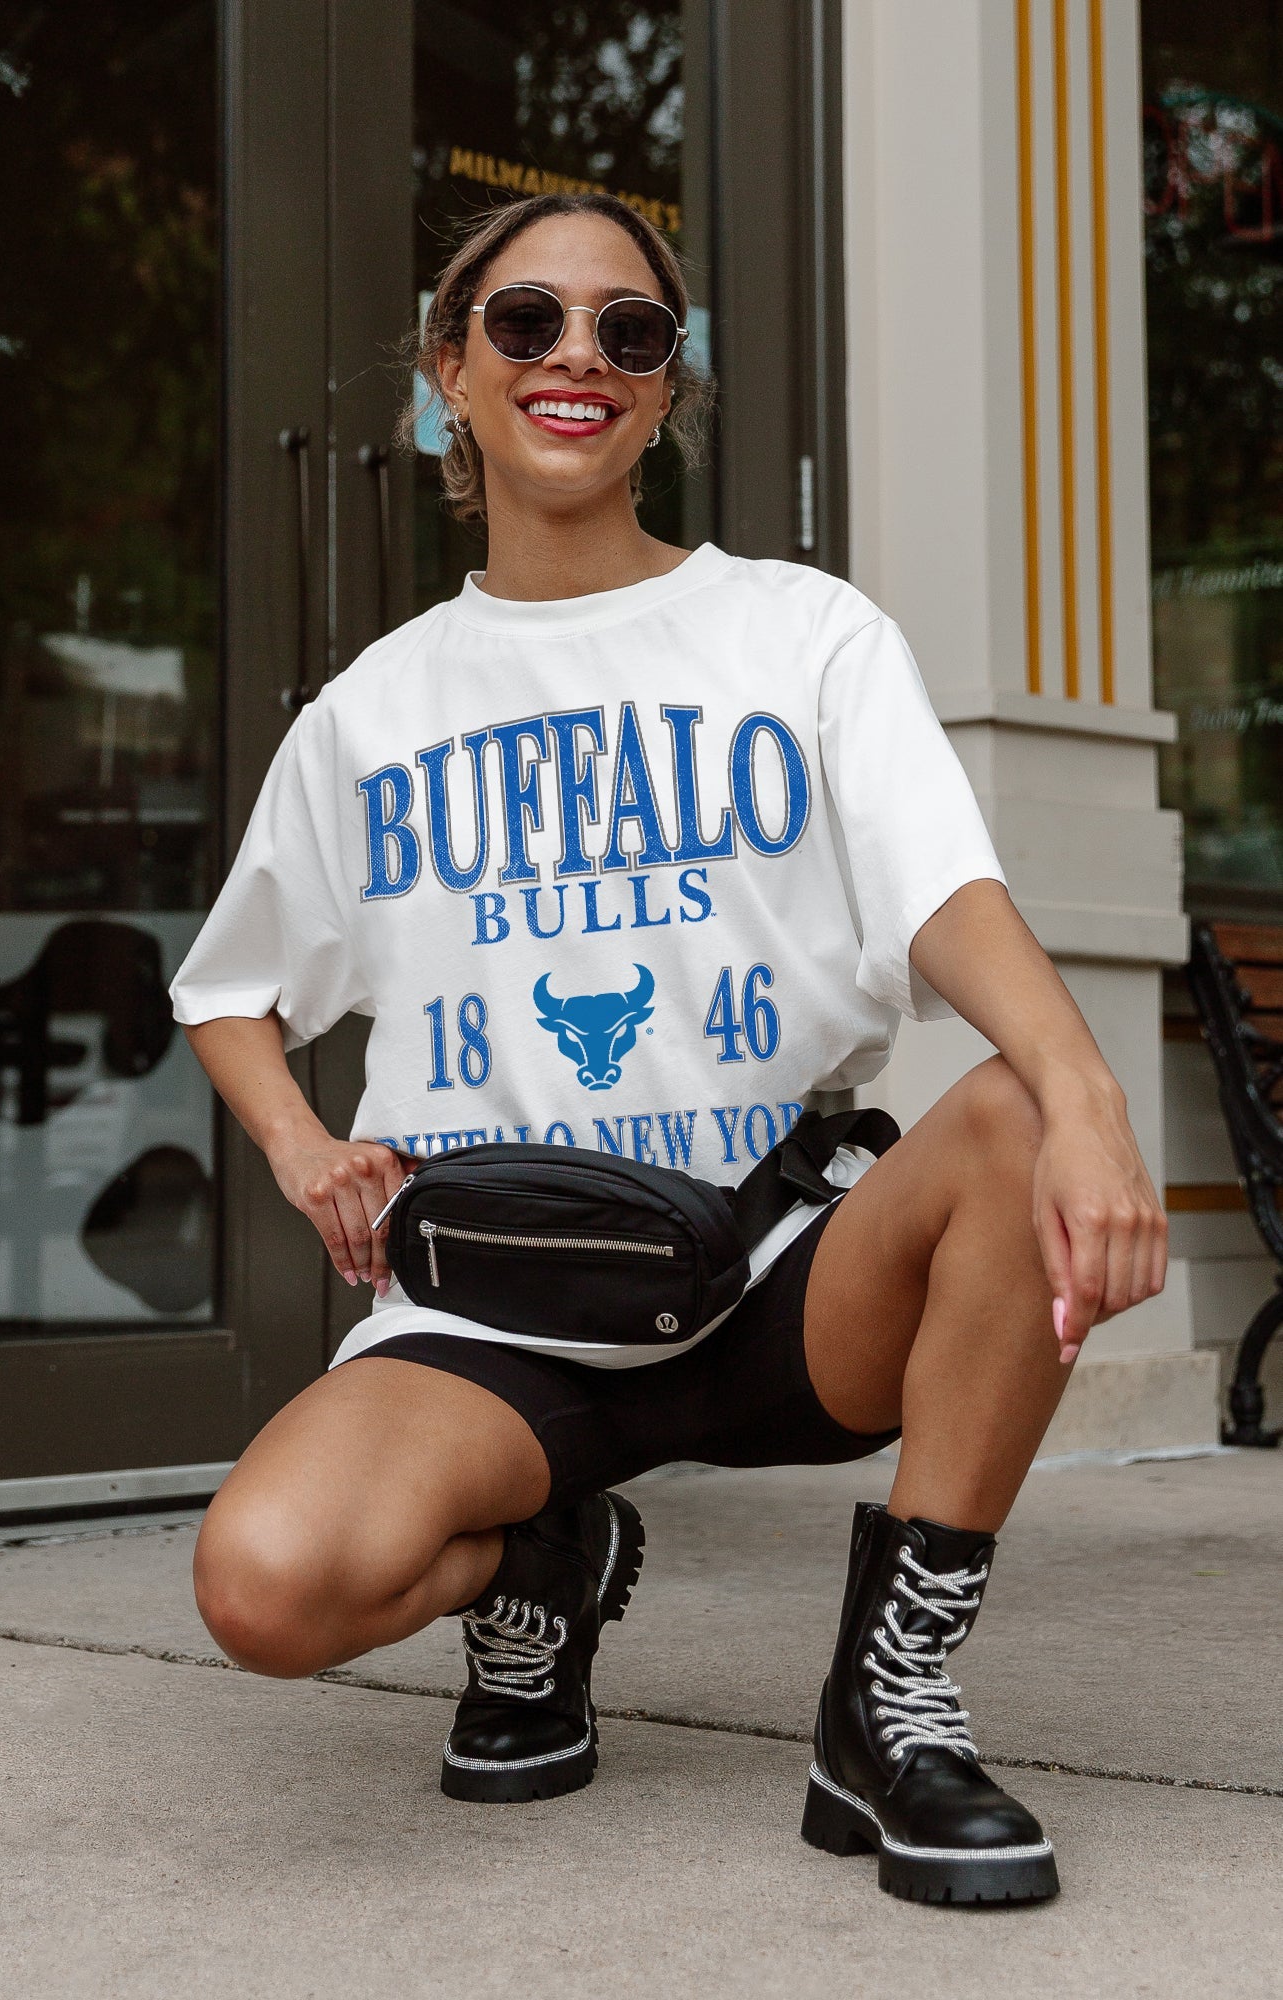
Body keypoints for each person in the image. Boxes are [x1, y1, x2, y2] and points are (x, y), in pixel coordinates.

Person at [172, 191, 1166, 1907]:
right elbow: (228, 988)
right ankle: (539, 1563)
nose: (576, 355)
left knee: (1016, 1114)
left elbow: (942, 892)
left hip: (775, 1270)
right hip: (495, 1304)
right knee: (265, 1589)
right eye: (525, 322)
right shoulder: (370, 713)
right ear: (450, 372)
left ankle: (888, 1704)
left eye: (626, 330)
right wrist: (297, 1142)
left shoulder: (803, 635)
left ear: (664, 386)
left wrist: (1084, 1098)